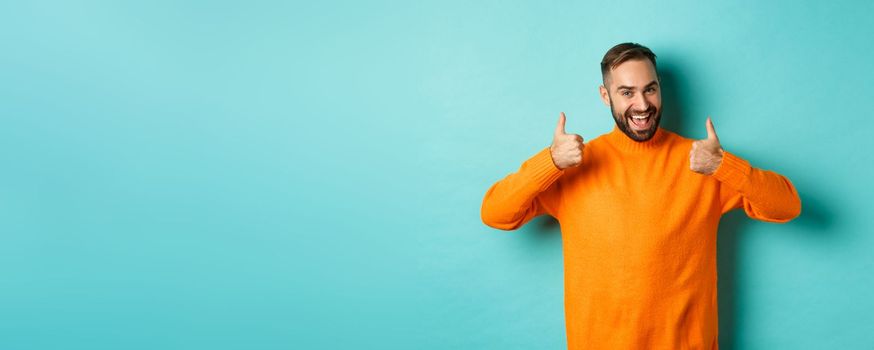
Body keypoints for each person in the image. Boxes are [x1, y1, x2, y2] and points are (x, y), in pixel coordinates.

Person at [480, 42, 801, 349]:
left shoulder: (702, 162)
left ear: (659, 88)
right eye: (627, 92)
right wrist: (549, 161)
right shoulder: (575, 165)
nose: (643, 105)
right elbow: (495, 213)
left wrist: (724, 165)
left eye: (650, 89)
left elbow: (787, 205)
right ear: (605, 96)